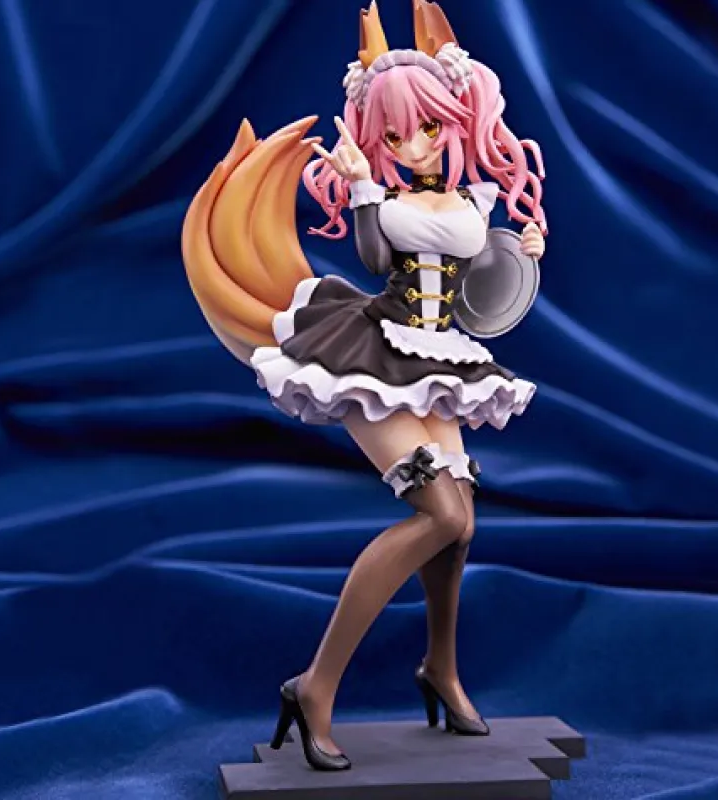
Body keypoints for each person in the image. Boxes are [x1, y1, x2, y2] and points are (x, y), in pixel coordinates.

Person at [182, 0, 547, 772]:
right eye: (396, 135)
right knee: (441, 512)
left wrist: (526, 249)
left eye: (428, 127)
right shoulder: (385, 200)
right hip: (375, 353)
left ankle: (440, 669)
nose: (414, 144)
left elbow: (481, 283)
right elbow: (379, 261)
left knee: (461, 528)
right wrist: (358, 187)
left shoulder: (472, 200)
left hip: (443, 354)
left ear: (454, 121)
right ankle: (314, 685)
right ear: (378, 138)